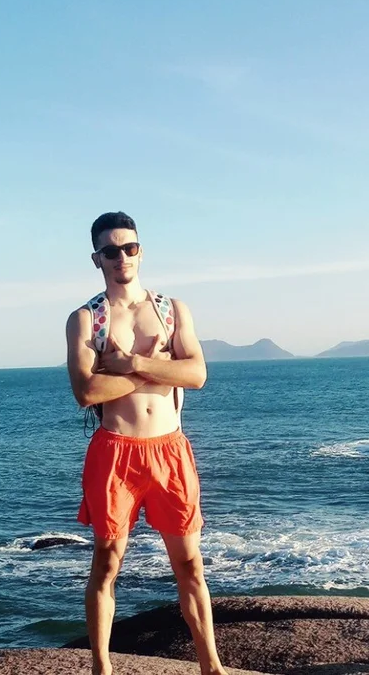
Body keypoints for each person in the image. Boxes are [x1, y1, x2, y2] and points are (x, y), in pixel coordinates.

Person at [66, 211, 227, 675]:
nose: (122, 257)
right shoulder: (86, 320)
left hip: (169, 450)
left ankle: (211, 667)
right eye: (111, 250)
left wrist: (130, 364)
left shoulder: (172, 310)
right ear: (97, 259)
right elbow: (87, 392)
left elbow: (196, 374)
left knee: (190, 565)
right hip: (115, 451)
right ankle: (102, 667)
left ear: (140, 251)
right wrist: (158, 369)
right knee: (107, 562)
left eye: (130, 247)